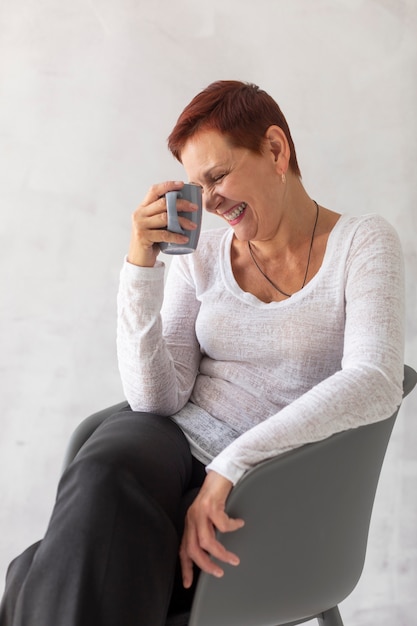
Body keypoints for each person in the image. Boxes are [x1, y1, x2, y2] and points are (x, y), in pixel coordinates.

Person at [0, 80, 405, 625]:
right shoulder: (203, 257)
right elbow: (156, 399)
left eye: (218, 175)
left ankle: (32, 585)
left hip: (274, 477)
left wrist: (232, 467)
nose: (209, 200)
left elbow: (376, 380)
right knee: (104, 474)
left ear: (276, 150)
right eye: (197, 185)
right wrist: (141, 263)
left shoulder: (363, 243)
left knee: (76, 565)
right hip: (169, 441)